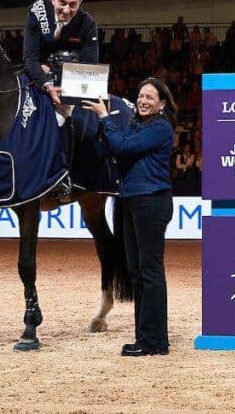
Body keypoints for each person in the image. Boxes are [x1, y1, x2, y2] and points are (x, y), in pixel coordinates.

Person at [82, 78, 176, 357]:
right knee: (136, 272)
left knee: (150, 272)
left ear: (161, 104)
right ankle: (144, 338)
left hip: (151, 201)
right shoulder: (137, 125)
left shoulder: (160, 127)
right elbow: (116, 148)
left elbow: (122, 146)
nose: (143, 100)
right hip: (131, 201)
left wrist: (104, 118)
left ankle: (156, 340)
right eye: (141, 95)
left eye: (150, 97)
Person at [23, 0, 99, 106]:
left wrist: (57, 74)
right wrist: (46, 83)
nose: (66, 10)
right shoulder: (36, 12)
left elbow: (89, 68)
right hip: (39, 73)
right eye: (62, 3)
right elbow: (30, 58)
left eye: (72, 5)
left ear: (80, 3)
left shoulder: (88, 23)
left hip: (71, 79)